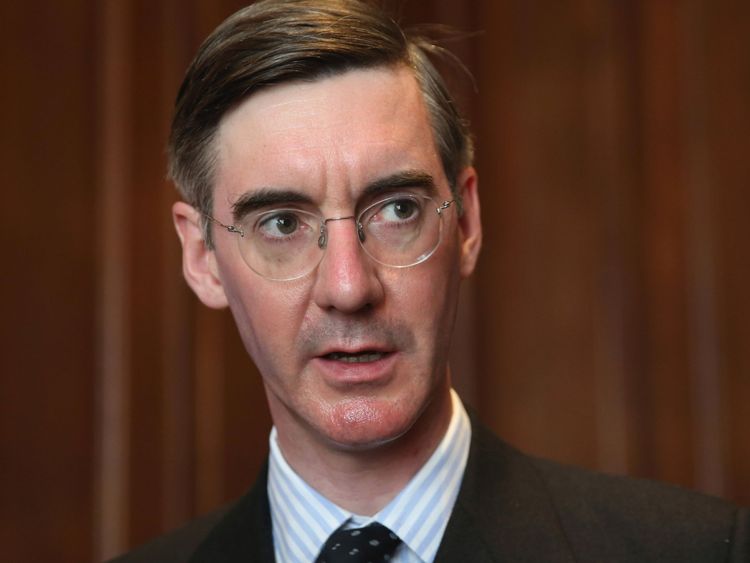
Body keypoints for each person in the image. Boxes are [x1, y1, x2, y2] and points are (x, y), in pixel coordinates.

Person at [112, 1, 749, 561]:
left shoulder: (699, 550)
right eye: (282, 223)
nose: (348, 286)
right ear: (202, 256)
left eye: (397, 210)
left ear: (466, 220)